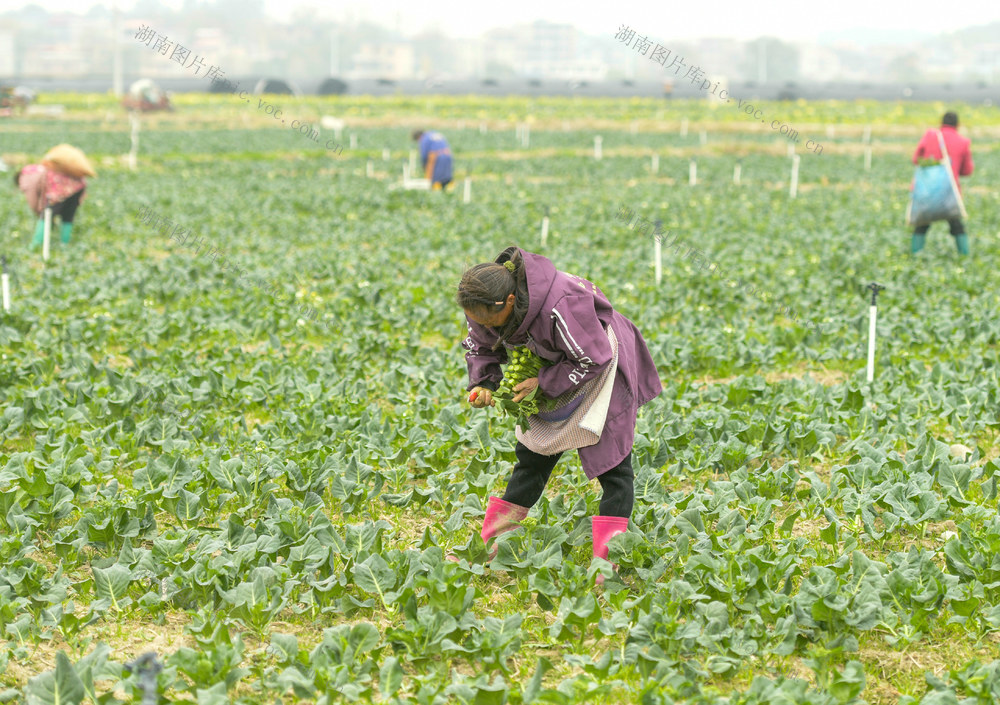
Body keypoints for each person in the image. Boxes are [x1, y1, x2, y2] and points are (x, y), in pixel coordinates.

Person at [457, 246, 662, 583]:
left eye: (486, 319)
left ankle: (606, 566)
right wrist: (485, 383)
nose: (480, 324)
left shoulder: (559, 305)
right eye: (474, 318)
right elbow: (478, 343)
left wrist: (543, 381)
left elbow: (592, 358)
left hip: (600, 363)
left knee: (614, 468)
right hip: (556, 363)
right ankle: (489, 548)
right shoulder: (482, 303)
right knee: (532, 457)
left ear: (507, 303)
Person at [911, 111, 974, 255]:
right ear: (958, 125)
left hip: (927, 191)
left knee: (922, 224)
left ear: (941, 123)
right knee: (956, 224)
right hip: (949, 192)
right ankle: (964, 257)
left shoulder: (930, 137)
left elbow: (916, 160)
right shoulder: (963, 142)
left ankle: (915, 257)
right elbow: (967, 171)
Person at [15, 161, 88, 249]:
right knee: (68, 215)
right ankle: (64, 244)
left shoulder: (25, 179)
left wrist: (40, 212)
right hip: (78, 184)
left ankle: (35, 246)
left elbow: (33, 200)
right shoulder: (37, 169)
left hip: (60, 187)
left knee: (46, 215)